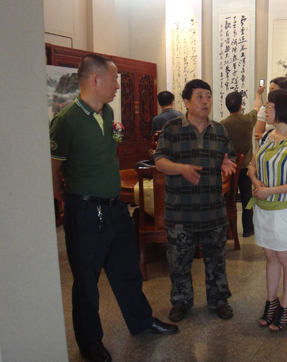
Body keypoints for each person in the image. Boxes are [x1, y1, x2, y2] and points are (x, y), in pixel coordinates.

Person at [50, 54, 178, 362]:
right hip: (85, 212)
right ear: (95, 79)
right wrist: (63, 196)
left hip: (115, 208)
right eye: (115, 79)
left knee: (127, 269)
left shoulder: (106, 112)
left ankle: (141, 321)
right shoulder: (66, 121)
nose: (118, 85)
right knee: (86, 282)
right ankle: (90, 343)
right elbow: (53, 168)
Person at [154, 79, 237, 323]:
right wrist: (180, 168)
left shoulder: (220, 131)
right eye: (199, 96)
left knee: (216, 261)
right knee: (179, 263)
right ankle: (181, 302)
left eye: (208, 96)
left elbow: (230, 157)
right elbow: (159, 161)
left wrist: (227, 162)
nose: (205, 101)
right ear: (186, 102)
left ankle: (219, 300)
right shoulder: (171, 129)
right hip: (180, 211)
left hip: (213, 210)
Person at [247, 89, 287, 331]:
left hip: (283, 211)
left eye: (270, 106)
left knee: (285, 259)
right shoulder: (266, 137)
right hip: (263, 208)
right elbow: (252, 166)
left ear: (282, 109)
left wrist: (269, 191)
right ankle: (271, 302)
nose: (266, 110)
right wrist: (256, 182)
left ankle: (285, 306)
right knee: (270, 257)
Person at [220, 88, 262, 237]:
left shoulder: (222, 125)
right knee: (247, 198)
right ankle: (248, 229)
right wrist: (258, 94)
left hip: (228, 169)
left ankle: (229, 230)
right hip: (245, 167)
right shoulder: (248, 120)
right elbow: (257, 106)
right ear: (240, 105)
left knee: (228, 200)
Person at [254, 77, 287, 141]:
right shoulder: (264, 109)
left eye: (273, 90)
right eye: (270, 90)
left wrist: (268, 137)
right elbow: (258, 136)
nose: (271, 93)